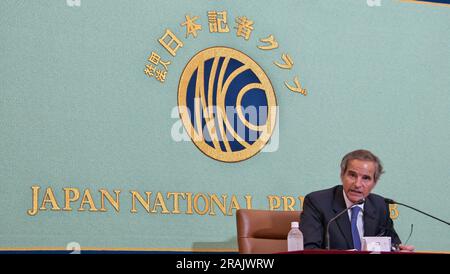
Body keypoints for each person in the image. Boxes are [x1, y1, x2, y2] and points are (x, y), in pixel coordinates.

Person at [299, 149, 415, 251]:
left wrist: (399, 251)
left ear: (374, 183)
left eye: (366, 178)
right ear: (342, 175)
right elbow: (310, 249)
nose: (357, 184)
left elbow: (392, 244)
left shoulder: (380, 205)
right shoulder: (317, 202)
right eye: (352, 175)